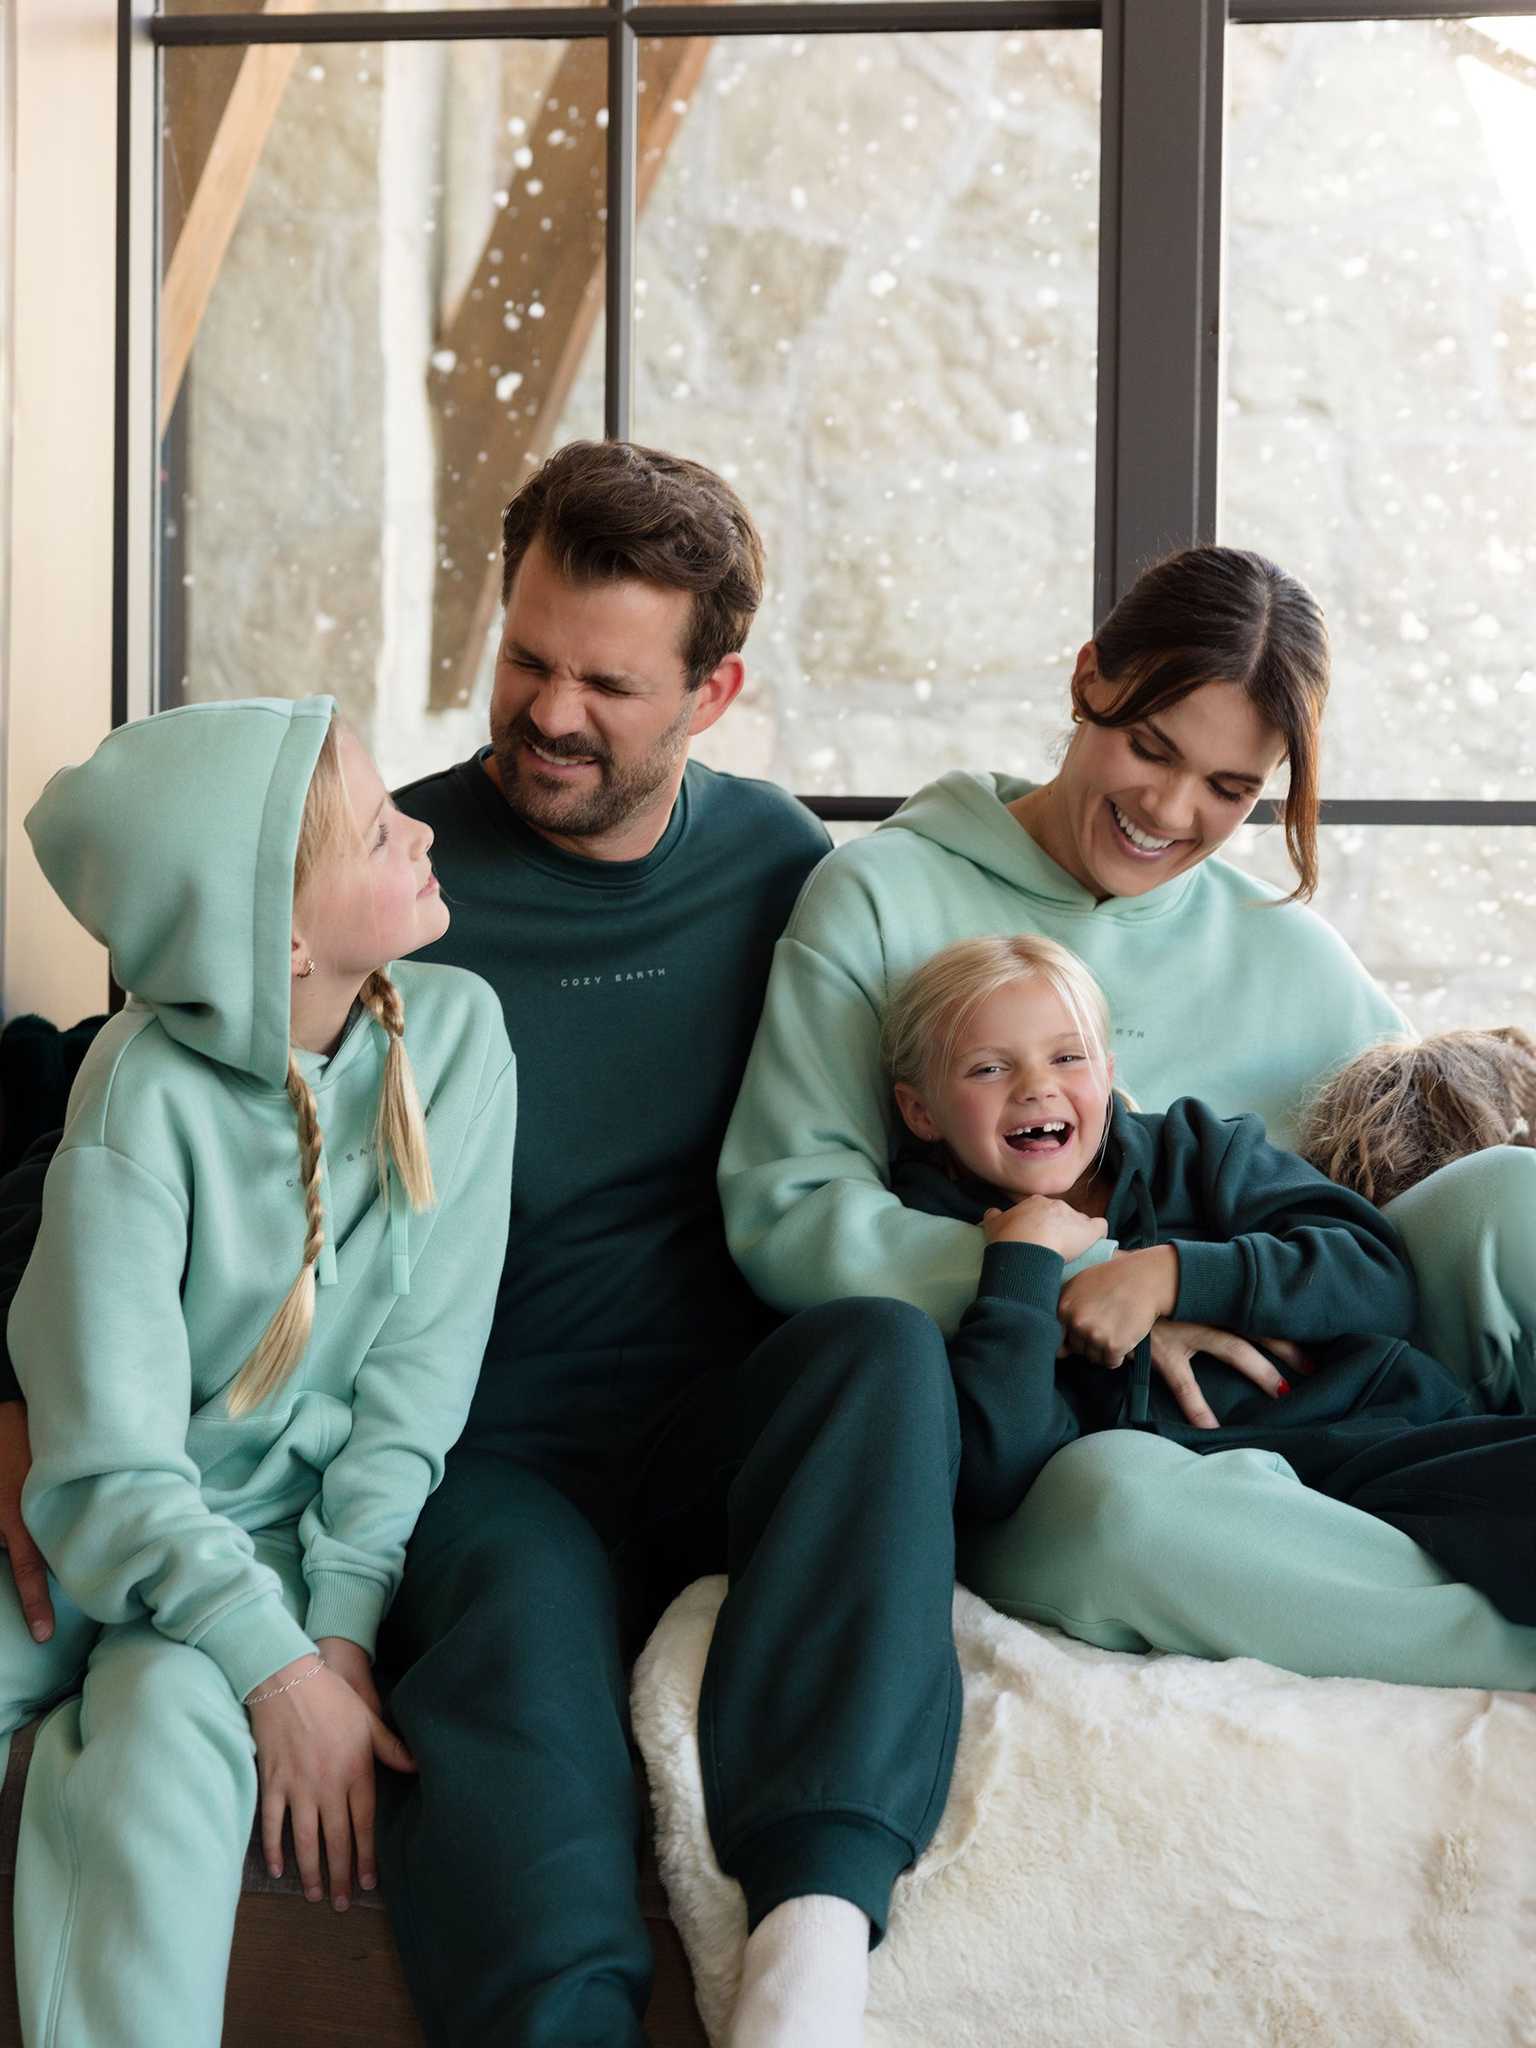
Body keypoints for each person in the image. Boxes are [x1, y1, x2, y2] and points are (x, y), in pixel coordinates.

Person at [0, 442, 969, 2047]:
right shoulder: (352, 871)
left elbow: (887, 1149)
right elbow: (130, 1135)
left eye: (608, 681)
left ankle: (813, 1924)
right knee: (519, 1611)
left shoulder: (784, 873)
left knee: (879, 1351)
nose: (549, 710)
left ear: (712, 692)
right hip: (465, 1443)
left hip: (692, 1422)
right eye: (526, 656)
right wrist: (16, 1378)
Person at [721, 542, 1536, 1691]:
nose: (1168, 808)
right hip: (1068, 1431)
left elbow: (1374, 1230)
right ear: (1087, 677)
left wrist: (1181, 1277)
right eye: (1150, 747)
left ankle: (1365, 1554)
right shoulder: (882, 895)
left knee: (1518, 1196)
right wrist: (1083, 1288)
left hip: (1324, 1390)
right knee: (1123, 1512)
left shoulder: (1285, 946)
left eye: (1228, 788)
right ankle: (1492, 1642)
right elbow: (790, 1209)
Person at [0, 697, 516, 2045]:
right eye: (374, 830)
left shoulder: (457, 1043)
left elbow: (417, 1380)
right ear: (278, 939)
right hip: (91, 1531)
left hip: (284, 1553)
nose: (419, 830)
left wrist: (329, 1639)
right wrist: (276, 1674)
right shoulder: (134, 1097)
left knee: (169, 1734)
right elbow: (104, 1462)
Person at [882, 931, 1536, 1634]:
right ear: (920, 1111)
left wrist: (1172, 1276)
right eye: (987, 1069)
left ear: (1105, 1072)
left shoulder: (1192, 1149)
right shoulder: (924, 1242)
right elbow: (998, 1467)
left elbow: (1375, 1275)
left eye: (1067, 1057)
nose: (1037, 1086)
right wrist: (1026, 1268)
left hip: (1378, 1431)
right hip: (1215, 1507)